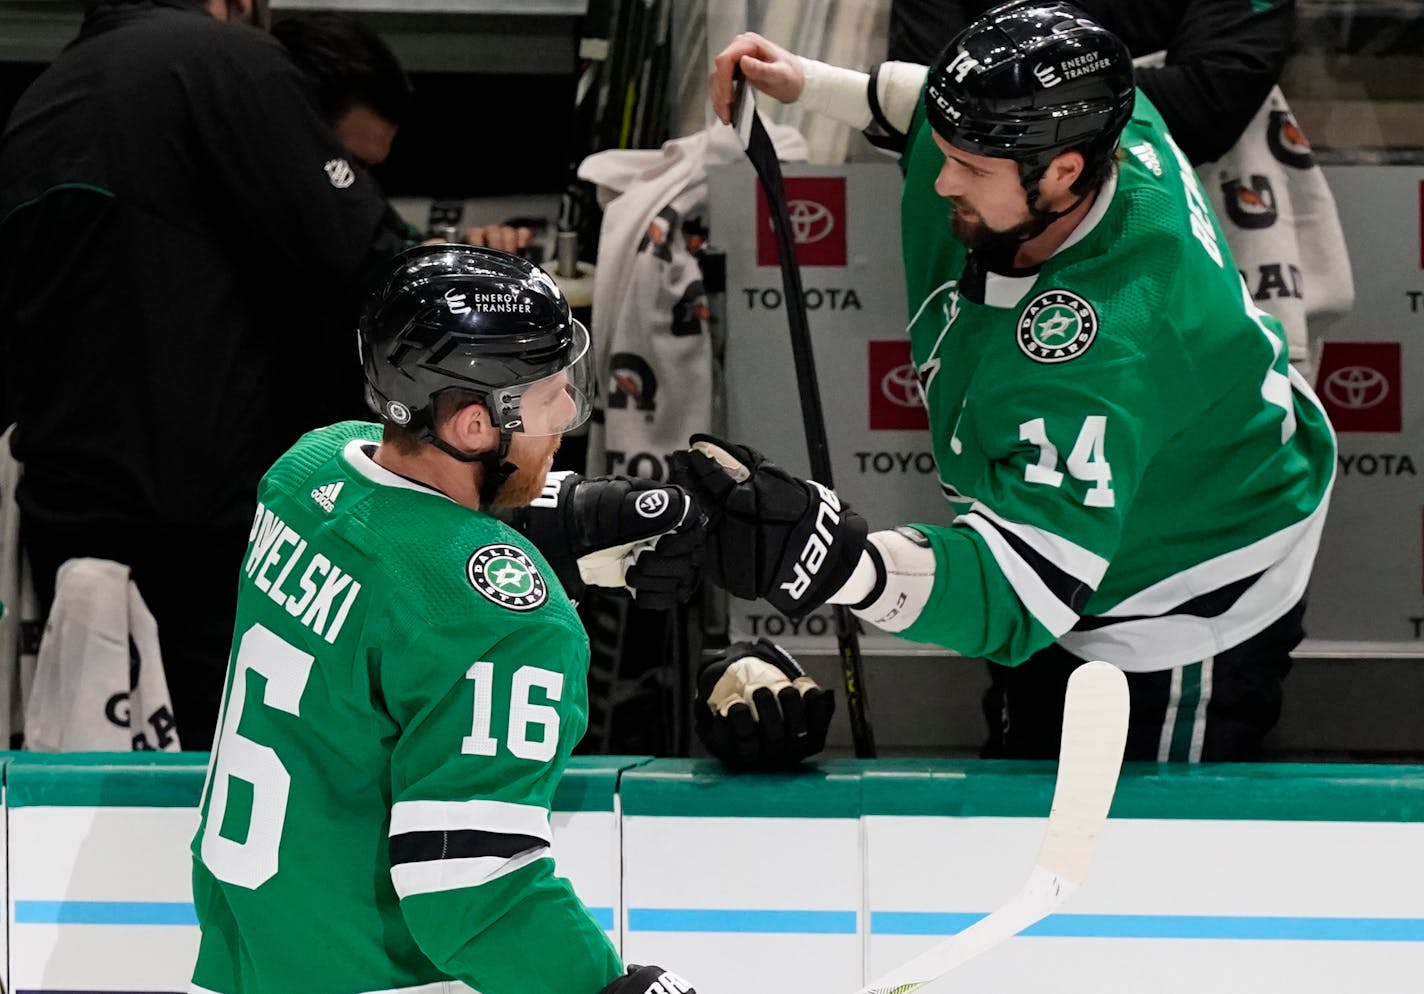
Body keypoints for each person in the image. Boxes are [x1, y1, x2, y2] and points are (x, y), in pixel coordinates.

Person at [683, 0, 1336, 762]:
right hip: (1068, 526)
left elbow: (1020, 592)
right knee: (1026, 772)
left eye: (970, 167)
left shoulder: (1105, 343)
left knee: (1124, 848)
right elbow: (926, 100)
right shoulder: (1096, 118)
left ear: (1062, 172)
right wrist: (813, 83)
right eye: (946, 146)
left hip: (1183, 581)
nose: (939, 179)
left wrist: (828, 558)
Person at [189, 244, 715, 994]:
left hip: (240, 963)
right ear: (474, 426)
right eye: (546, 394)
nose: (567, 410)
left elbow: (399, 555)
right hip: (373, 978)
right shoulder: (511, 625)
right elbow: (473, 893)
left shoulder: (305, 471)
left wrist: (563, 526)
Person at [0, 0, 416, 748]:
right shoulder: (228, 61)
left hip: (70, 514)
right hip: (202, 524)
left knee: (94, 780)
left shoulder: (43, 100)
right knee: (231, 774)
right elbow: (365, 261)